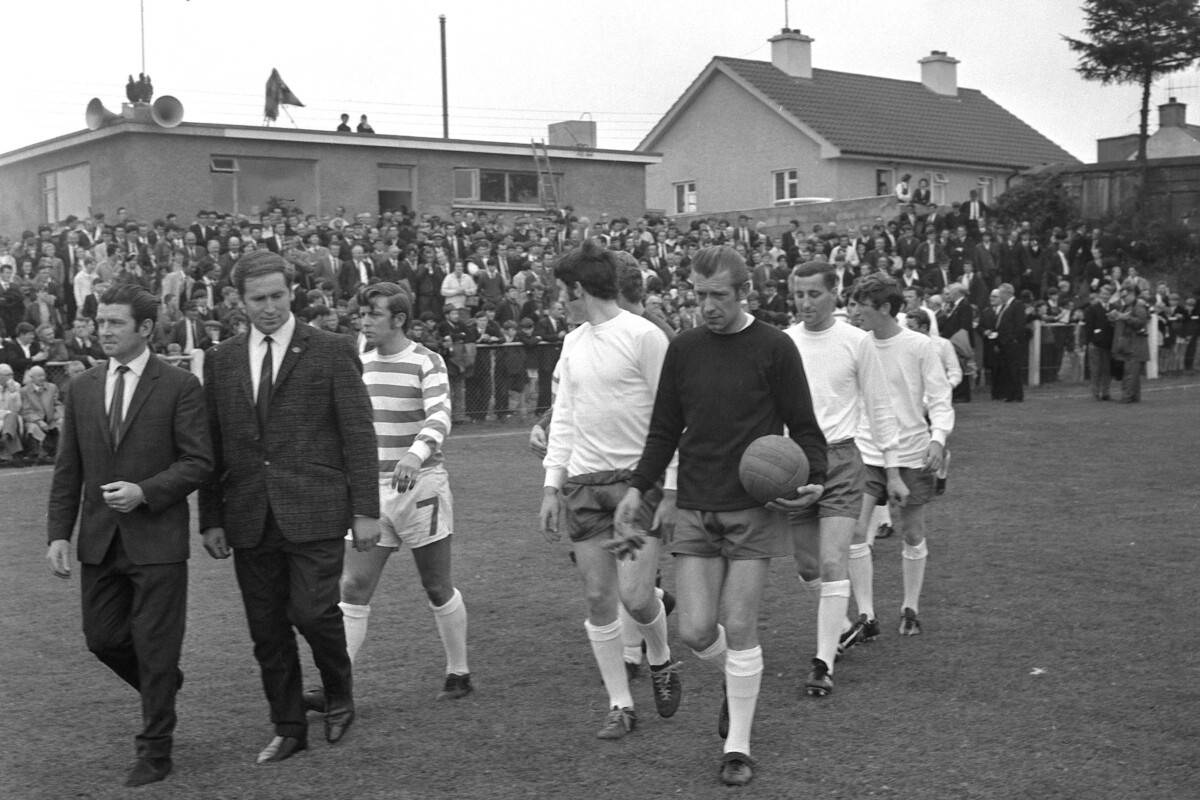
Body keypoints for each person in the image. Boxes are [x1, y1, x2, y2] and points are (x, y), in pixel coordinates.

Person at [615, 245, 827, 787]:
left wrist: (814, 480)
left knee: (739, 624)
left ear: (743, 293)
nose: (706, 306)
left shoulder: (775, 348)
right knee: (694, 630)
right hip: (695, 504)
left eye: (718, 296)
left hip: (756, 510)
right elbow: (664, 430)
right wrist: (638, 488)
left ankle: (738, 746)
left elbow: (805, 428)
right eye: (698, 295)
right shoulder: (683, 348)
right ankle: (738, 685)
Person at [199, 251, 380, 765]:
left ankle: (339, 693)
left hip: (316, 508)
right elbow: (213, 443)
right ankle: (288, 726)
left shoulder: (331, 349)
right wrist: (210, 517)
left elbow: (358, 434)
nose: (271, 307)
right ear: (239, 301)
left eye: (279, 295)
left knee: (313, 611)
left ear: (291, 292)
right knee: (266, 628)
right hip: (249, 514)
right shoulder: (222, 358)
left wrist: (365, 509)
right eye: (259, 299)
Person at [45, 283, 213, 787]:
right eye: (101, 322)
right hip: (99, 539)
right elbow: (67, 468)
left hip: (157, 538)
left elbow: (199, 462)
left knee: (156, 646)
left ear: (145, 328)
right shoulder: (82, 387)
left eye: (116, 323)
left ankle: (155, 751)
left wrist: (146, 491)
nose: (105, 331)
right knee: (103, 639)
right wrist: (58, 534)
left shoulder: (180, 385)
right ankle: (163, 684)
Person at [304, 281, 472, 712]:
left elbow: (440, 416)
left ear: (398, 319)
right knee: (354, 585)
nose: (364, 321)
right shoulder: (358, 361)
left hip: (420, 488)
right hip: (369, 492)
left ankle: (458, 671)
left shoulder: (426, 362)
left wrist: (415, 456)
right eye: (362, 314)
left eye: (373, 314)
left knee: (436, 585)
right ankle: (335, 685)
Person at [538, 242, 681, 741]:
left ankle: (661, 658)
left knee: (638, 597)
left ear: (578, 289)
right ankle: (620, 704)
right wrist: (552, 486)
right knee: (599, 597)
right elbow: (565, 419)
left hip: (635, 485)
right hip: (583, 485)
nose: (559, 301)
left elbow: (672, 418)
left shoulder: (644, 337)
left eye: (562, 291)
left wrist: (670, 489)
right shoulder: (573, 342)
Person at [784, 262, 903, 698]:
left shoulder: (857, 342)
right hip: (794, 461)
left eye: (814, 293)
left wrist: (892, 470)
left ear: (836, 295)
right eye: (799, 294)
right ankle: (847, 624)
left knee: (835, 560)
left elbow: (879, 406)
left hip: (840, 460)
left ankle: (823, 663)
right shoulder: (784, 343)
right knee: (807, 566)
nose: (805, 302)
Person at [845, 275, 953, 640]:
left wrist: (938, 440)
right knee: (857, 530)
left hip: (912, 452)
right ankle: (866, 614)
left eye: (864, 305)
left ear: (886, 309)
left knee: (911, 531)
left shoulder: (920, 346)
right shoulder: (856, 344)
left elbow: (939, 398)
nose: (856, 312)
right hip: (865, 450)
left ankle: (911, 607)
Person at [1110, 281, 1150, 403]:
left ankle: (1127, 397)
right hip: (1128, 345)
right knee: (1133, 374)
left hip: (1135, 345)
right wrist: (1114, 317)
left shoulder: (1138, 307)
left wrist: (1125, 317)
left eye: (1125, 296)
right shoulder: (1125, 307)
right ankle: (1134, 397)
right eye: (1122, 296)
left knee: (1130, 373)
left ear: (1132, 294)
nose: (1124, 298)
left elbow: (1141, 322)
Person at [1082, 284, 1115, 400]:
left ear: (1111, 295)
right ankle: (1095, 393)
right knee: (1095, 370)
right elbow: (1089, 327)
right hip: (1096, 344)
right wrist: (1091, 340)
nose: (1105, 296)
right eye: (1103, 294)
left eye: (1108, 294)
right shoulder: (1092, 309)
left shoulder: (1114, 308)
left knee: (1107, 369)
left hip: (1109, 344)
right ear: (1100, 295)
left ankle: (1106, 392)